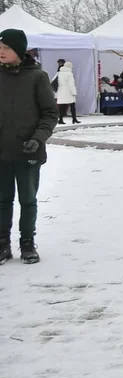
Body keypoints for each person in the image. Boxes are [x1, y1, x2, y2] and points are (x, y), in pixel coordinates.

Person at [0, 29, 58, 264]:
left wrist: (38, 138)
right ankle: (3, 243)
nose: (1, 52)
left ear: (19, 51)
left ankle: (27, 243)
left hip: (28, 151)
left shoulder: (37, 77)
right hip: (1, 152)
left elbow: (50, 113)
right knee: (2, 200)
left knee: (28, 200)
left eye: (6, 48)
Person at [54, 59, 79, 125]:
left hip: (61, 90)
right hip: (68, 91)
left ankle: (60, 119)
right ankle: (74, 119)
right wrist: (74, 92)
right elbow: (71, 84)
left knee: (62, 106)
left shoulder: (59, 73)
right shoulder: (69, 74)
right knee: (72, 105)